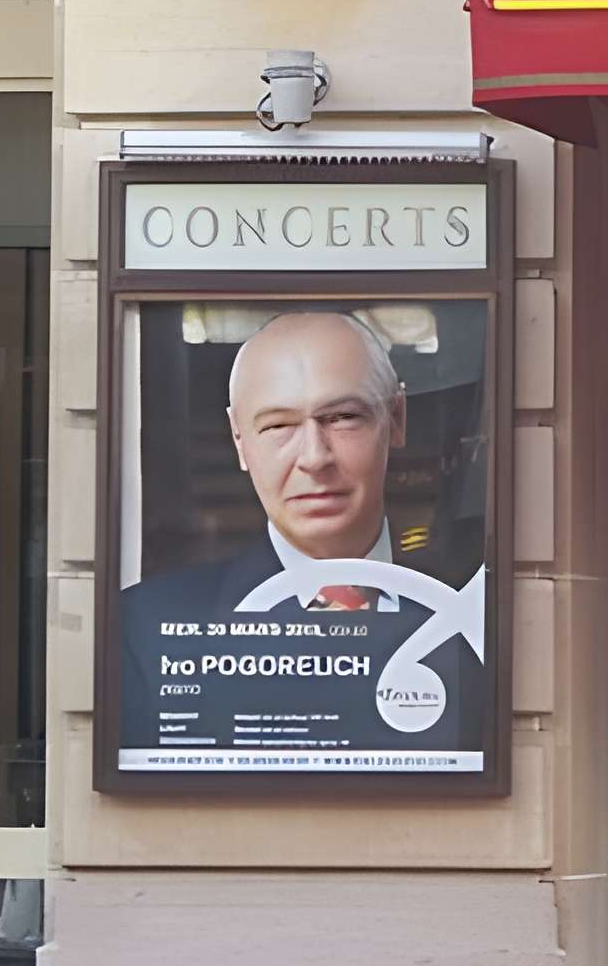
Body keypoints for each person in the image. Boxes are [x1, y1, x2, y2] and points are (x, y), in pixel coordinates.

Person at [115, 311, 484, 762]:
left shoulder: (481, 618)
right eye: (278, 426)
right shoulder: (145, 628)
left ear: (397, 419)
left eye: (343, 417)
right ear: (239, 441)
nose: (314, 457)